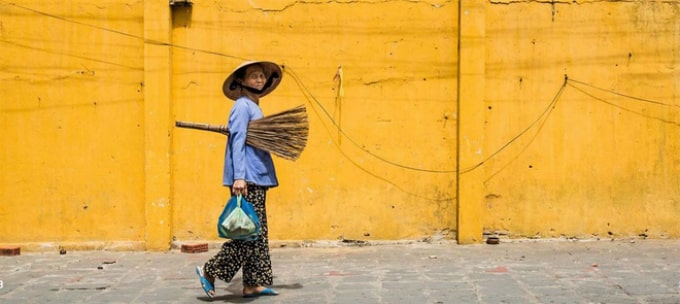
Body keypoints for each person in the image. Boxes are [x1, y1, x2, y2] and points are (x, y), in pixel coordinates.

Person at [195, 60, 283, 298]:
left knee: (259, 232)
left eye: (262, 76)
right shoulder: (242, 106)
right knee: (249, 231)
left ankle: (253, 283)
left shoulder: (254, 107)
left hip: (259, 176)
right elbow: (237, 142)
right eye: (254, 76)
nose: (259, 80)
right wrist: (239, 178)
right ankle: (210, 269)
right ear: (241, 82)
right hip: (248, 178)